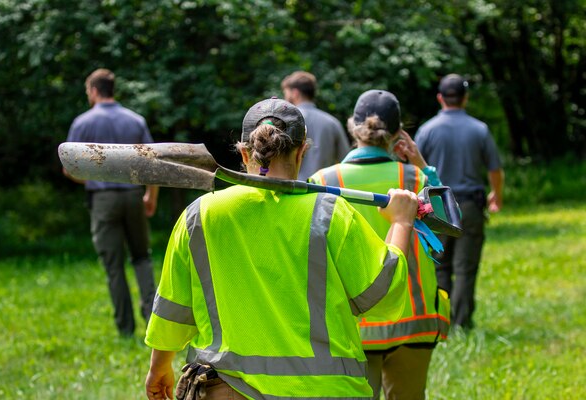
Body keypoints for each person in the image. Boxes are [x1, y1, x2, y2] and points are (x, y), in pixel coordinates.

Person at [144, 97, 420, 400]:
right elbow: (383, 297)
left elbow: (174, 308)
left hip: (226, 389)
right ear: (302, 151)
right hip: (325, 391)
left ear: (243, 151)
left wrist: (159, 366)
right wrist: (401, 222)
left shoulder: (200, 215)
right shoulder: (329, 214)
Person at [309, 90, 450, 400]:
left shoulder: (322, 181)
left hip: (353, 323)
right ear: (399, 133)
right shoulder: (413, 178)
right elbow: (449, 223)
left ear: (352, 127)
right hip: (414, 318)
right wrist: (421, 163)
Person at [63, 68, 159, 337]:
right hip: (132, 195)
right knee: (142, 258)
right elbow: (153, 163)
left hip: (103, 199)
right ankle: (153, 323)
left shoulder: (82, 123)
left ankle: (125, 329)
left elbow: (70, 168)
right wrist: (150, 196)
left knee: (114, 265)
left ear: (94, 90)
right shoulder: (135, 120)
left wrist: (94, 181)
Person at [415, 73, 504, 330]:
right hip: (470, 206)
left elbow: (416, 170)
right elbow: (495, 169)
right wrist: (496, 195)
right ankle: (462, 323)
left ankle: (441, 320)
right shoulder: (480, 129)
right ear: (465, 99)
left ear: (440, 98)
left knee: (440, 266)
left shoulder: (427, 130)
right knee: (466, 268)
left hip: (437, 207)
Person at [281, 71, 350, 180]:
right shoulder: (332, 122)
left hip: (292, 190)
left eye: (286, 93)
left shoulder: (284, 120)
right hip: (325, 191)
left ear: (295, 93)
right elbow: (346, 162)